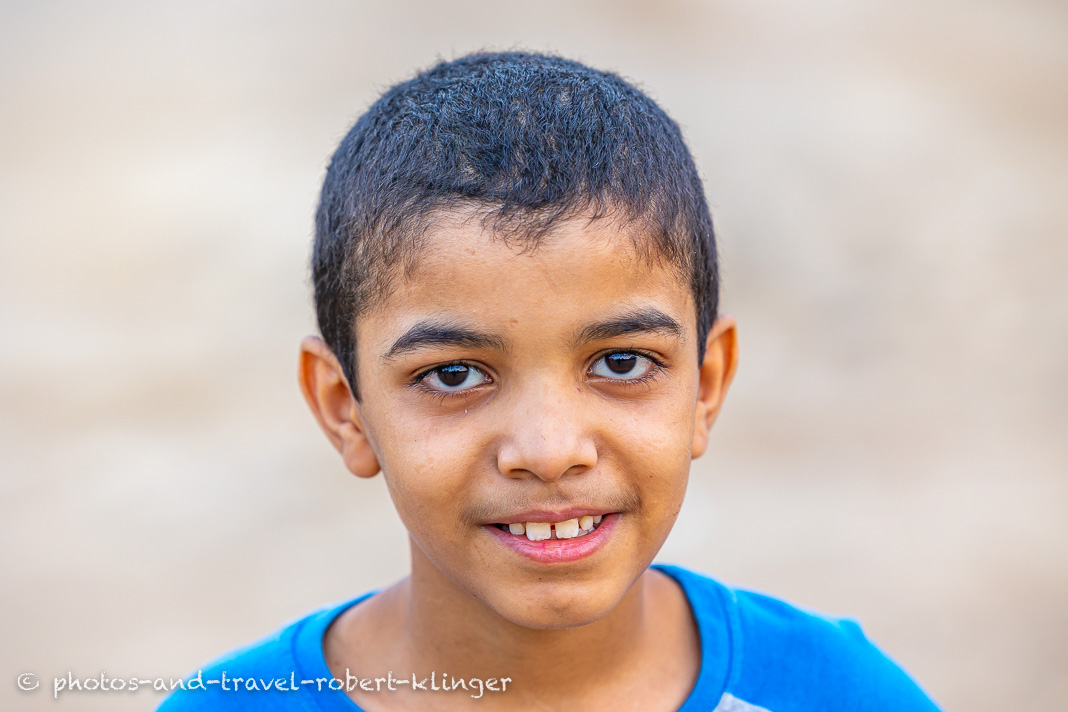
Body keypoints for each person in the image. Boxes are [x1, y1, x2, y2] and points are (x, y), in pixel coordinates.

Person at [157, 51, 941, 711]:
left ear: (705, 385)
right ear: (345, 408)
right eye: (454, 374)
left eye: (621, 363)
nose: (549, 450)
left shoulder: (833, 693)